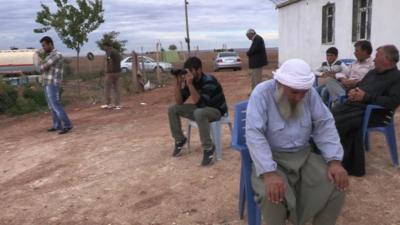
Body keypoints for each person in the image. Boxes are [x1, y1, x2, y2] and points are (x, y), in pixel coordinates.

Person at [246, 58, 348, 225]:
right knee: (270, 193)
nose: (300, 97)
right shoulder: (262, 93)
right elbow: (254, 134)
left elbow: (324, 124)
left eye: (304, 92)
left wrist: (334, 161)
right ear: (279, 83)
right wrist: (269, 174)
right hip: (272, 158)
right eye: (294, 92)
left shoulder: (309, 93)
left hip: (304, 155)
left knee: (337, 184)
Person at [332, 45, 400, 177]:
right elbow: (360, 86)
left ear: (387, 59)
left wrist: (366, 97)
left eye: (377, 55)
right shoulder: (372, 73)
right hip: (355, 107)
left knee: (338, 122)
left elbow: (393, 101)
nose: (374, 59)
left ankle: (339, 160)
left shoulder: (397, 77)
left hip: (375, 114)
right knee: (329, 116)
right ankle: (328, 152)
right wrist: (352, 92)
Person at [168, 57, 227, 166]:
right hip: (202, 109)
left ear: (198, 70)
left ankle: (208, 148)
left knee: (198, 112)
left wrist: (190, 85)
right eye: (187, 71)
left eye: (190, 71)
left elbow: (201, 103)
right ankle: (180, 139)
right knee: (173, 109)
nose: (188, 74)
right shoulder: (192, 80)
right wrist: (177, 83)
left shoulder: (209, 80)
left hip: (216, 110)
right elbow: (179, 101)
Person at [39, 36, 73, 135]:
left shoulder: (56, 55)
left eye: (44, 45)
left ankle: (67, 125)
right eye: (42, 46)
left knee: (55, 105)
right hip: (47, 83)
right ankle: (57, 125)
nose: (43, 48)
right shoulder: (49, 55)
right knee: (51, 106)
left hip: (52, 83)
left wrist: (39, 62)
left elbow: (42, 67)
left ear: (50, 44)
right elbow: (42, 67)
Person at [101, 44, 122, 110]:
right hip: (118, 72)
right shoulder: (117, 52)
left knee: (107, 88)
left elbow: (109, 60)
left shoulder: (109, 52)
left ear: (106, 46)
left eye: (104, 46)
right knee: (117, 89)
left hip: (111, 73)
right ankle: (118, 104)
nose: (104, 48)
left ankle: (108, 104)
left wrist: (109, 70)